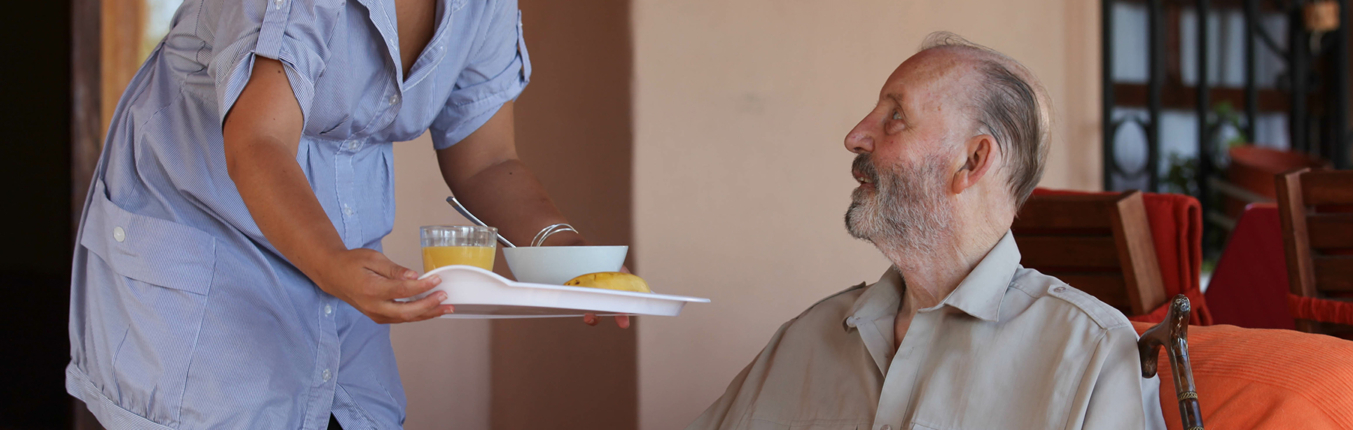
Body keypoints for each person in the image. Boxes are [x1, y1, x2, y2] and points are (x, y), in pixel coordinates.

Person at [67, 0, 621, 428]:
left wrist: (559, 253)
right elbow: (257, 139)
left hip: (335, 265)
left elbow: (488, 161)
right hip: (207, 251)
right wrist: (331, 263)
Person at [688, 33, 1167, 430]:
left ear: (973, 161)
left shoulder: (1092, 355)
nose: (855, 135)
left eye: (895, 116)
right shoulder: (807, 337)